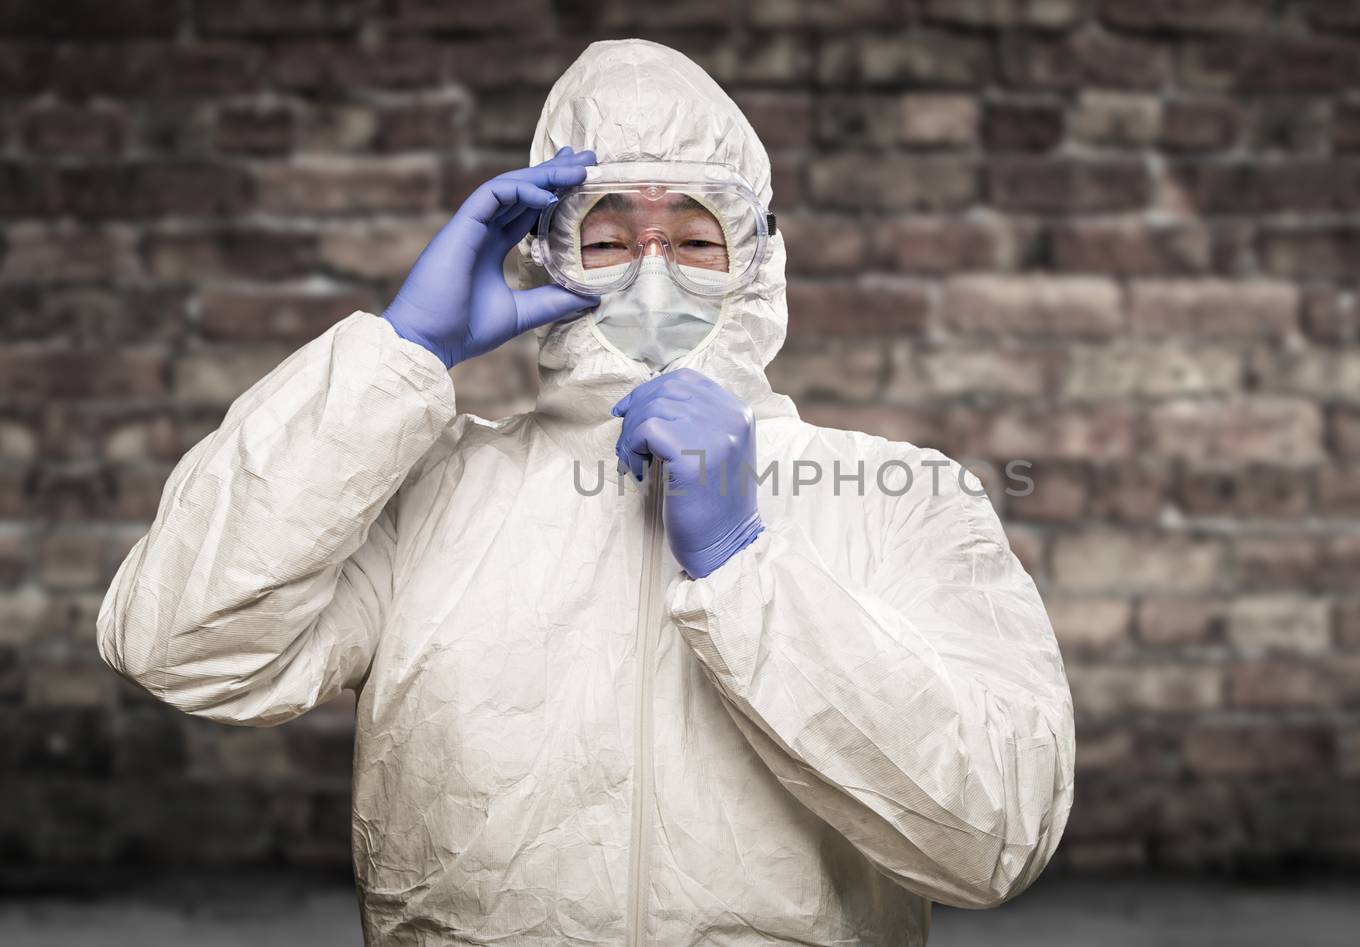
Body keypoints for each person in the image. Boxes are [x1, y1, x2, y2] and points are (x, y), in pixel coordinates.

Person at [97, 38, 1074, 947]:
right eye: (606, 240)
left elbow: (994, 834)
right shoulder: (432, 492)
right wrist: (398, 355)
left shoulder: (893, 497)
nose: (653, 277)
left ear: (760, 264)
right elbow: (182, 645)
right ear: (542, 258)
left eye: (696, 241)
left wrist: (746, 569)